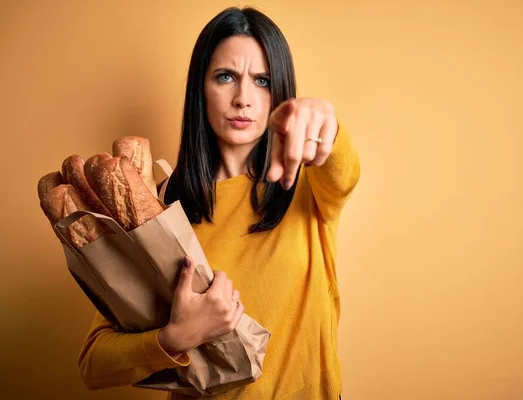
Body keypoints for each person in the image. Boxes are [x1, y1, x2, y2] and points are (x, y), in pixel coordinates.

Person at [77, 6, 360, 400]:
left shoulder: (308, 183)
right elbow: (94, 362)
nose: (244, 98)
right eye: (225, 76)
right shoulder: (160, 211)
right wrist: (177, 336)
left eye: (263, 80)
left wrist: (326, 121)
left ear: (282, 92)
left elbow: (343, 169)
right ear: (201, 88)